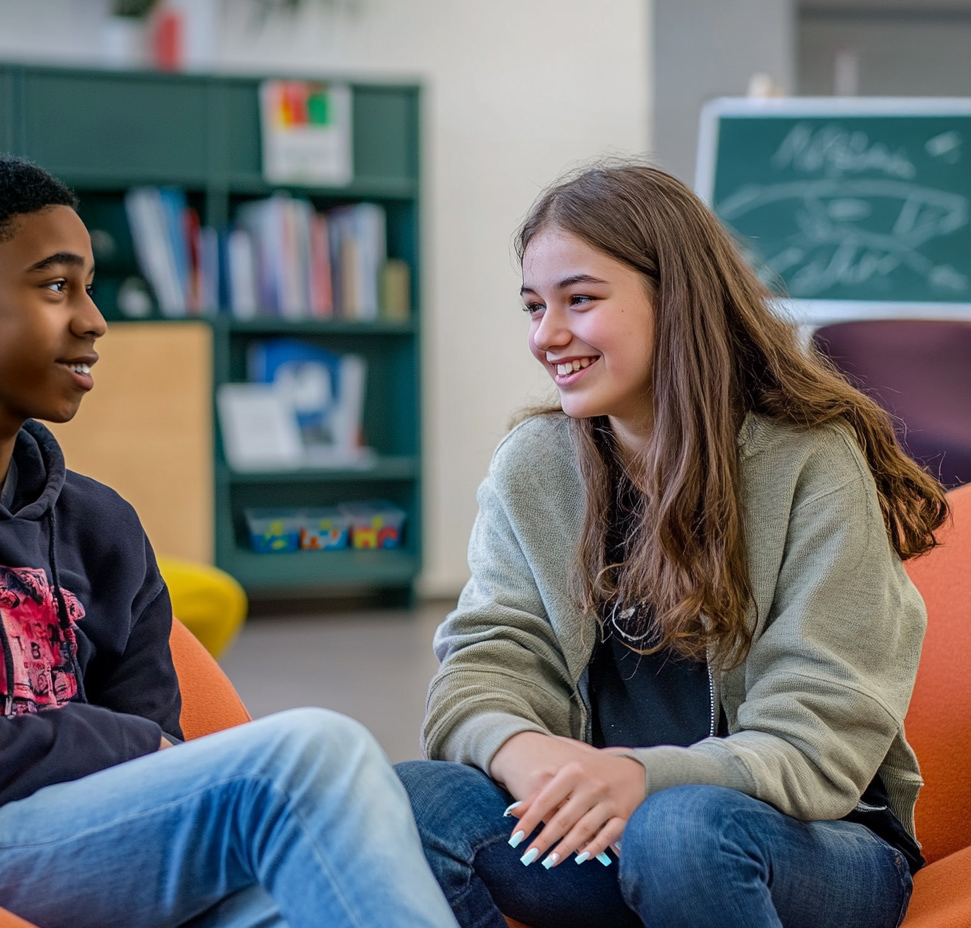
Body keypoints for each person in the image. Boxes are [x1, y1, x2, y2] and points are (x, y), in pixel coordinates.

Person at [0, 151, 458, 928]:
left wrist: (117, 747)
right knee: (308, 759)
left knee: (294, 898)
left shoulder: (99, 523)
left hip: (90, 843)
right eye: (55, 286)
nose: (93, 320)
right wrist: (116, 743)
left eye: (88, 286)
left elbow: (158, 741)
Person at [395, 163, 948, 928]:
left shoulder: (810, 459)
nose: (546, 336)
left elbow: (821, 734)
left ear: (675, 297)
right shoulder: (535, 464)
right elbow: (487, 663)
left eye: (579, 300)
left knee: (681, 830)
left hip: (806, 840)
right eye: (533, 307)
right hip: (608, 832)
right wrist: (527, 753)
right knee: (414, 801)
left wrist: (638, 778)